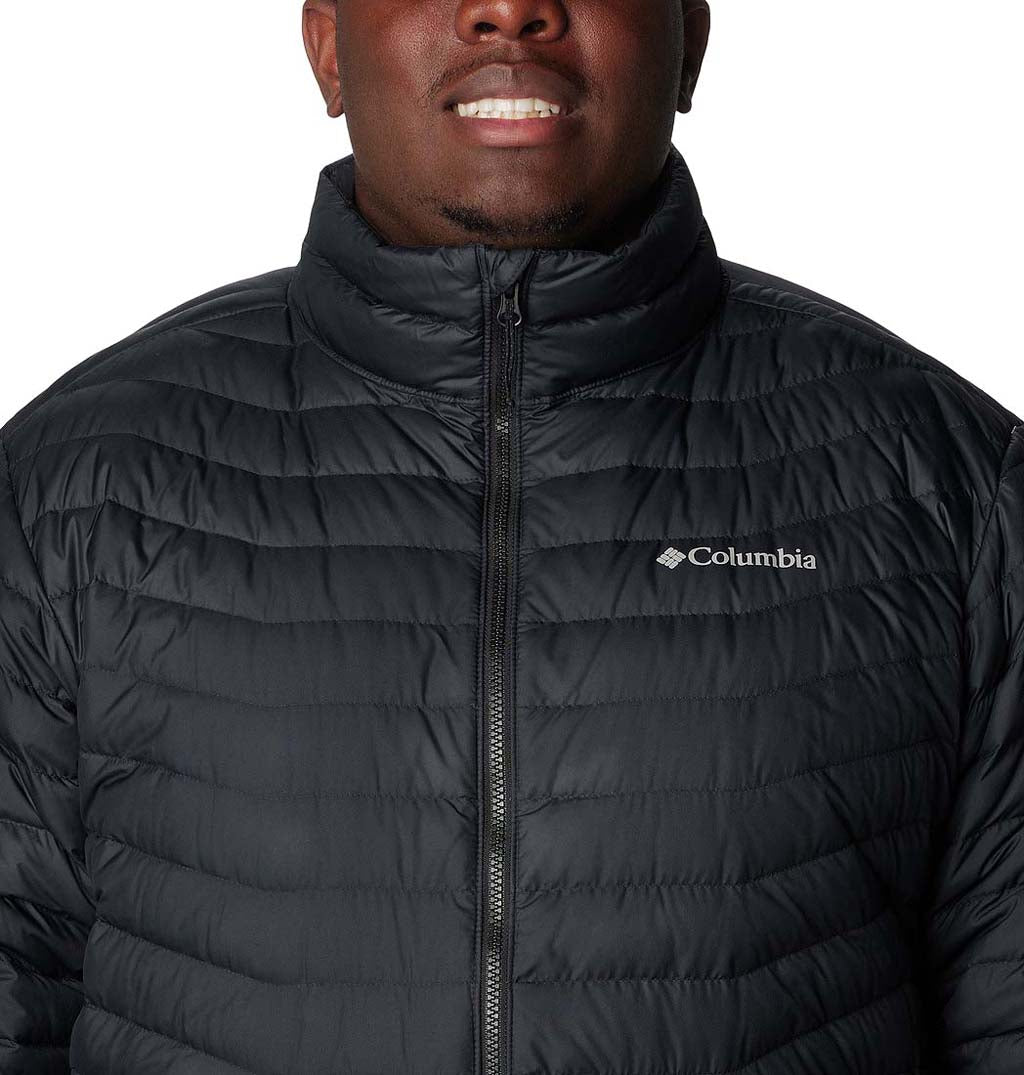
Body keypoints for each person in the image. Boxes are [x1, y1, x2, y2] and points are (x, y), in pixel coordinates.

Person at [2, 1, 1021, 1072]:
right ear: (328, 47)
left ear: (690, 41)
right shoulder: (74, 486)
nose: (509, 8)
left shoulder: (949, 484)